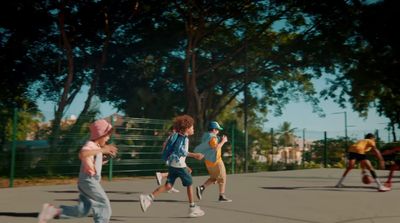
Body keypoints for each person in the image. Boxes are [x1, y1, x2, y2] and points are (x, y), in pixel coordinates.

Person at [38, 119, 118, 223]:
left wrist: (107, 157)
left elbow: (95, 163)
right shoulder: (90, 144)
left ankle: (54, 211)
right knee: (104, 204)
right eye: (107, 135)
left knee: (83, 210)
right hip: (89, 181)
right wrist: (103, 150)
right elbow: (82, 154)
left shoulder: (96, 147)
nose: (108, 138)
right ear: (100, 134)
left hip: (88, 181)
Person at [139, 115, 205, 217]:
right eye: (192, 127)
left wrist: (185, 165)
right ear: (187, 128)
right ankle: (192, 208)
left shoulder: (178, 136)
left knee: (168, 186)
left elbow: (177, 153)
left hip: (174, 165)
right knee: (190, 184)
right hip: (179, 166)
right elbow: (180, 151)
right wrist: (194, 155)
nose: (193, 129)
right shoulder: (184, 138)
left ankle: (148, 198)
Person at [194, 121, 232, 202]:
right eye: (217, 130)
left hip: (208, 161)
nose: (218, 131)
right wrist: (223, 141)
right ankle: (221, 196)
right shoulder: (213, 137)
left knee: (214, 178)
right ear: (214, 130)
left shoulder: (205, 136)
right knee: (222, 178)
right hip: (216, 161)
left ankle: (201, 188)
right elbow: (216, 148)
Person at [155, 128, 179, 193]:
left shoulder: (171, 136)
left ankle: (169, 186)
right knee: (177, 171)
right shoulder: (175, 136)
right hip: (172, 156)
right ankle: (161, 175)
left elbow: (164, 145)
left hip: (169, 156)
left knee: (174, 171)